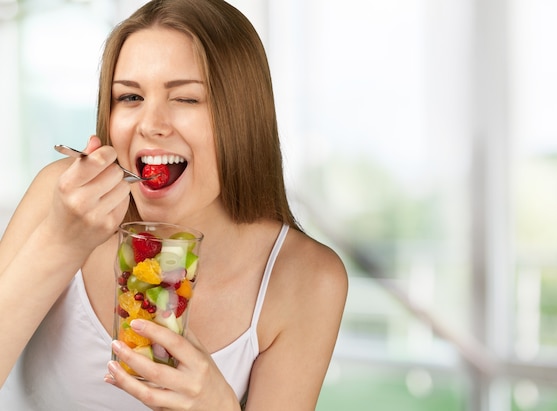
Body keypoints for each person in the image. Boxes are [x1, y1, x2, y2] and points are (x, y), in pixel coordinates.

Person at [0, 0, 348, 409]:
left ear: (243, 115)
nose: (150, 124)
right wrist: (59, 241)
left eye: (185, 99)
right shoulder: (60, 197)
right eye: (129, 97)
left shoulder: (306, 280)